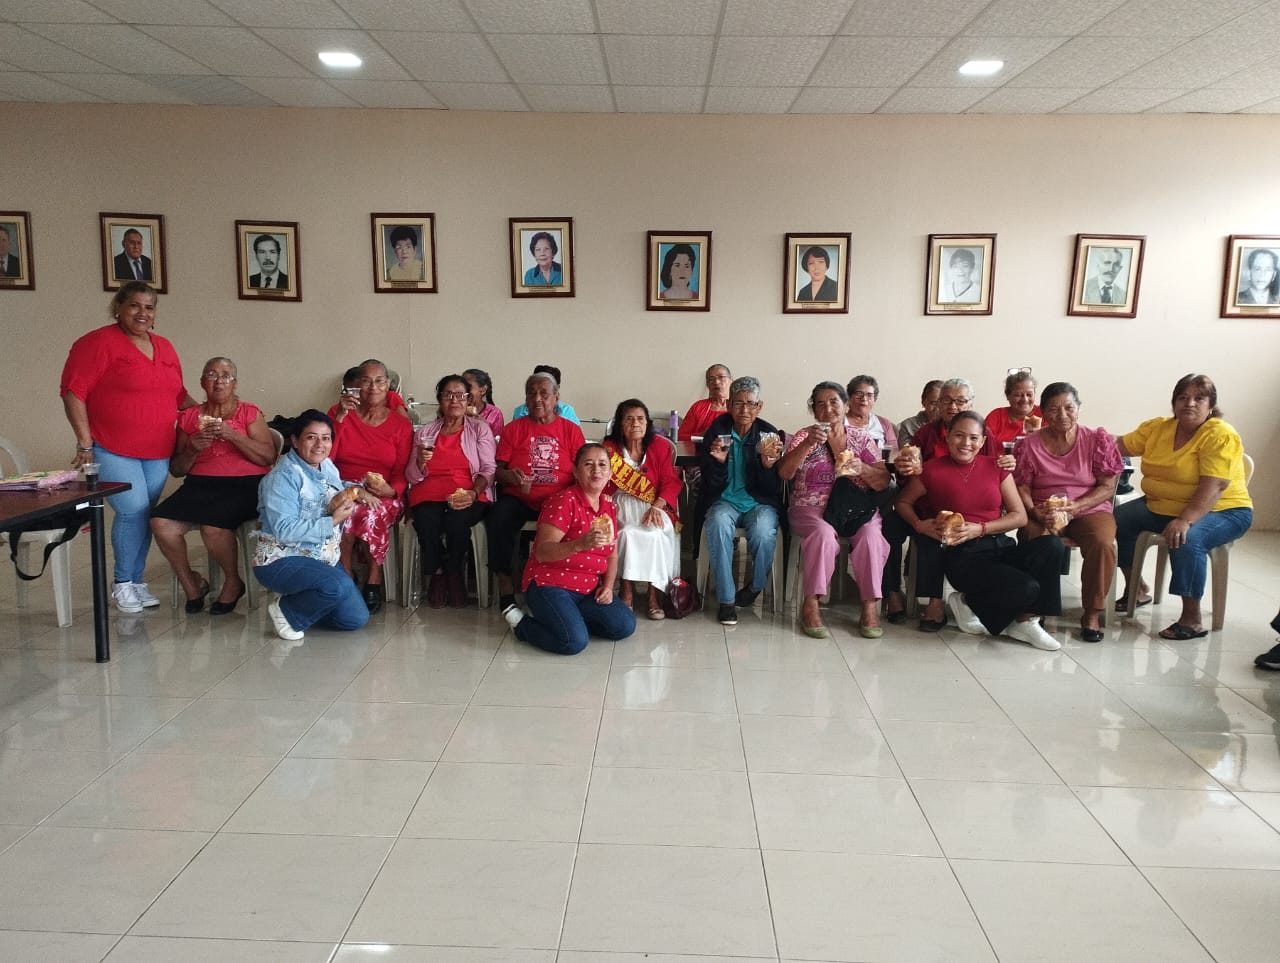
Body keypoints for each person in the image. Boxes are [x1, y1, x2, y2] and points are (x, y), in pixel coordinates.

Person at [60, 282, 197, 613]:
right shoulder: (97, 343)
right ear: (118, 308)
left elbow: (179, 396)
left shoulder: (165, 347)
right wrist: (84, 443)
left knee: (146, 514)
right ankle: (122, 583)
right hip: (111, 446)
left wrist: (213, 415)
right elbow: (73, 392)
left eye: (149, 307)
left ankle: (136, 581)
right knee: (132, 510)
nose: (142, 313)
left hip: (157, 449)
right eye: (134, 305)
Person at [896, 411, 1064, 650]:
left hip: (999, 546)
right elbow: (903, 502)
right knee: (1027, 587)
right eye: (959, 435)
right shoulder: (932, 470)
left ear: (983, 441)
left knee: (1052, 545)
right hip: (962, 556)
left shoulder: (996, 466)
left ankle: (1026, 619)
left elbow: (1019, 516)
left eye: (974, 438)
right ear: (948, 437)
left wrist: (981, 529)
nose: (966, 443)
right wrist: (918, 524)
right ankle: (967, 600)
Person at [1114, 373, 1253, 640]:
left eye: (1199, 398)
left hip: (1223, 510)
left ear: (1211, 405)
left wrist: (1185, 519)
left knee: (1187, 538)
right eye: (1182, 397)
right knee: (1114, 520)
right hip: (1162, 506)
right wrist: (1078, 435)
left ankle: (1191, 619)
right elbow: (1119, 445)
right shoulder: (1158, 428)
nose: (1189, 403)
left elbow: (1214, 486)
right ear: (1174, 403)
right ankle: (1137, 589)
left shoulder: (1220, 434)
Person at [151, 357, 277, 614]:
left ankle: (233, 581)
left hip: (246, 485)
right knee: (160, 522)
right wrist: (192, 449)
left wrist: (234, 436)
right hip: (200, 485)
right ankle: (191, 584)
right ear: (202, 382)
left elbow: (268, 457)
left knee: (213, 526)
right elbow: (177, 469)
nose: (219, 381)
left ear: (234, 384)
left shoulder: (249, 413)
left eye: (226, 376)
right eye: (211, 375)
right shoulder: (189, 418)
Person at [895, 378, 1016, 629]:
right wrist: (903, 467)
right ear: (938, 403)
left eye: (960, 401)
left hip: (974, 511)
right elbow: (910, 471)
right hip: (929, 505)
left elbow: (993, 468)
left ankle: (972, 596)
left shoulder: (983, 433)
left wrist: (1008, 463)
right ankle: (929, 602)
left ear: (970, 403)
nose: (953, 406)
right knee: (921, 533)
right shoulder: (925, 433)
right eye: (947, 400)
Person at [777, 382, 890, 639]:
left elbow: (882, 481)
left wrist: (862, 469)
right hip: (811, 506)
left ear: (846, 405)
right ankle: (811, 603)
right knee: (823, 534)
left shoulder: (861, 438)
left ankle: (869, 606)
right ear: (814, 410)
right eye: (820, 404)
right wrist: (807, 446)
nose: (828, 408)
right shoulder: (804, 436)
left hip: (854, 508)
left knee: (871, 536)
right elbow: (784, 473)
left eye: (834, 402)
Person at [1013, 382, 1124, 642]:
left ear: (1078, 409)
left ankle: (1092, 613)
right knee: (1036, 538)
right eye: (1053, 409)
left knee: (1102, 542)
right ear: (1043, 413)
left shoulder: (1096, 440)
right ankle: (1036, 608)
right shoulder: (1029, 445)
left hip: (1089, 508)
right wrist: (1035, 511)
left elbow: (1108, 486)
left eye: (1069, 408)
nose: (1062, 415)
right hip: (1044, 509)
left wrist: (1077, 506)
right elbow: (1022, 486)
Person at [503, 443, 637, 654]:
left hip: (587, 588)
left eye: (603, 464)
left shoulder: (608, 506)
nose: (596, 470)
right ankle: (522, 625)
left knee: (624, 625)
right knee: (573, 642)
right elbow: (543, 552)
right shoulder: (564, 501)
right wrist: (580, 544)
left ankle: (567, 618)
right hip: (550, 584)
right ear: (576, 471)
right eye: (588, 464)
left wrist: (608, 587)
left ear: (611, 474)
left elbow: (612, 554)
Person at [253, 410, 371, 642]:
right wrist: (333, 521)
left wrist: (358, 489)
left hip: (321, 558)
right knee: (337, 586)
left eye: (326, 438)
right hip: (282, 559)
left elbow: (335, 486)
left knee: (354, 619)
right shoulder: (282, 477)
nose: (319, 445)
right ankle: (287, 610)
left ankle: (305, 600)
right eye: (311, 437)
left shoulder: (325, 465)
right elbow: (285, 530)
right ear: (295, 441)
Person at [488, 371, 586, 616]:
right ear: (525, 399)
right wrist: (510, 476)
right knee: (498, 517)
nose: (537, 399)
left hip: (559, 500)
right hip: (519, 497)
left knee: (578, 518)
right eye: (531, 394)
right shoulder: (513, 429)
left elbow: (583, 469)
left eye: (544, 393)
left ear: (556, 398)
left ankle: (564, 583)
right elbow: (497, 470)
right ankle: (505, 583)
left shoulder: (571, 430)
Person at [698, 376, 783, 626]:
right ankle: (726, 600)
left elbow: (771, 489)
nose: (744, 410)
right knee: (717, 523)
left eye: (750, 403)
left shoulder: (768, 434)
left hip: (759, 502)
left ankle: (756, 586)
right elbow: (709, 483)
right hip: (724, 500)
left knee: (764, 532)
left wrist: (767, 467)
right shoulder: (716, 431)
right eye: (738, 403)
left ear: (759, 406)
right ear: (728, 405)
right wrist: (718, 463)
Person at [405, 374, 495, 608]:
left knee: (457, 518)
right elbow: (411, 476)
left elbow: (488, 469)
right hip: (429, 492)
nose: (454, 400)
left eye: (460, 396)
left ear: (468, 400)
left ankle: (453, 573)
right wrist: (420, 462)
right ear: (439, 399)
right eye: (448, 395)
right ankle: (437, 573)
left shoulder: (480, 429)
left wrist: (473, 493)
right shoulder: (425, 433)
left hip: (469, 491)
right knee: (426, 519)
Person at [332, 359, 413, 613]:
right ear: (356, 385)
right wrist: (340, 419)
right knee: (344, 511)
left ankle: (373, 579)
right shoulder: (339, 413)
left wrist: (393, 490)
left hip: (382, 491)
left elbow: (402, 470)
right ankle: (345, 576)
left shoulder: (400, 424)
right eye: (366, 381)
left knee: (370, 513)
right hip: (342, 486)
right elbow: (325, 458)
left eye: (379, 381)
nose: (373, 387)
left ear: (388, 385)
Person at [602, 400, 682, 620]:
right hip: (619, 504)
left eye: (640, 419)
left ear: (647, 423)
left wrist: (657, 506)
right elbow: (599, 481)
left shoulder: (660, 446)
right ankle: (626, 591)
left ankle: (653, 596)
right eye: (629, 419)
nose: (635, 424)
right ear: (620, 424)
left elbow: (671, 482)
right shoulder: (609, 449)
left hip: (654, 504)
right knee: (626, 533)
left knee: (655, 534)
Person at [985, 368, 1042, 447]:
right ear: (1008, 395)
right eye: (1018, 395)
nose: (1025, 400)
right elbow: (984, 446)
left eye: (1029, 395)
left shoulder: (1044, 414)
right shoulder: (996, 416)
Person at [511, 364, 581, 424]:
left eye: (544, 393)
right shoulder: (520, 411)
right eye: (533, 392)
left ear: (557, 389)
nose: (537, 399)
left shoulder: (567, 411)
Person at [678, 363, 732, 441]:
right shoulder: (698, 407)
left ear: (731, 381)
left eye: (721, 377)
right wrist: (701, 435)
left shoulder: (739, 408)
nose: (716, 382)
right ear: (707, 385)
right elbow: (680, 437)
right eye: (711, 379)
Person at [895, 379, 943, 452]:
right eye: (933, 403)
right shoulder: (908, 426)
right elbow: (906, 453)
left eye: (942, 403)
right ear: (923, 402)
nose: (937, 408)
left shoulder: (953, 426)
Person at [463, 367, 505, 438]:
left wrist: (481, 423)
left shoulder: (494, 413)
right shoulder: (456, 408)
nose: (463, 391)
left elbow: (497, 441)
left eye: (468, 387)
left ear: (483, 390)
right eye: (462, 386)